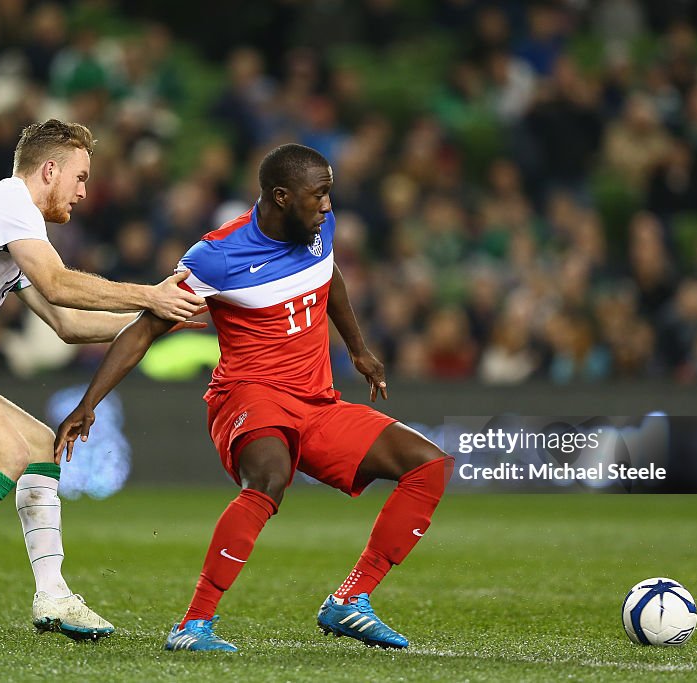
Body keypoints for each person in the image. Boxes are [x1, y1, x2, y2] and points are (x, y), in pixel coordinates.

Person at [55, 143, 454, 652]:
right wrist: (89, 403)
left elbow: (329, 280)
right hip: (247, 395)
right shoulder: (216, 256)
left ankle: (350, 601)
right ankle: (192, 625)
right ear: (282, 197)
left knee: (428, 466)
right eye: (320, 196)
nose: (329, 207)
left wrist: (358, 349)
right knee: (269, 476)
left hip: (317, 402)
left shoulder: (317, 229)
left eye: (330, 194)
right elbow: (144, 330)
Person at [0, 119, 207, 648]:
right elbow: (58, 282)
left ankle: (52, 593)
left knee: (40, 447)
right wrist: (148, 295)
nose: (85, 191)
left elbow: (69, 324)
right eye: (80, 177)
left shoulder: (9, 226)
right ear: (49, 170)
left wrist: (160, 322)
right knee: (5, 451)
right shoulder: (9, 202)